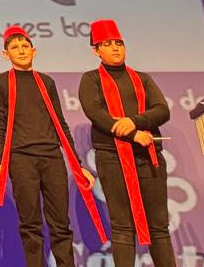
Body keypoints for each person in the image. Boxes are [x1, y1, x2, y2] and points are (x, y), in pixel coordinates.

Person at [0, 25, 102, 267]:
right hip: (21, 159)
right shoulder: (1, 83)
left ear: (34, 50)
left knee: (60, 223)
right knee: (30, 224)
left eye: (25, 46)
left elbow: (60, 123)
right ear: (5, 54)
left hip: (52, 157)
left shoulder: (46, 82)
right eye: (15, 47)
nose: (21, 50)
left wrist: (77, 165)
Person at [78, 20, 174, 267]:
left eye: (119, 43)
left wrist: (134, 122)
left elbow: (162, 110)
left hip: (148, 155)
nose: (115, 48)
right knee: (122, 226)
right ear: (96, 50)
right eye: (108, 44)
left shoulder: (142, 78)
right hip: (112, 157)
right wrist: (133, 135)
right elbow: (96, 113)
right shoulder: (91, 79)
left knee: (158, 226)